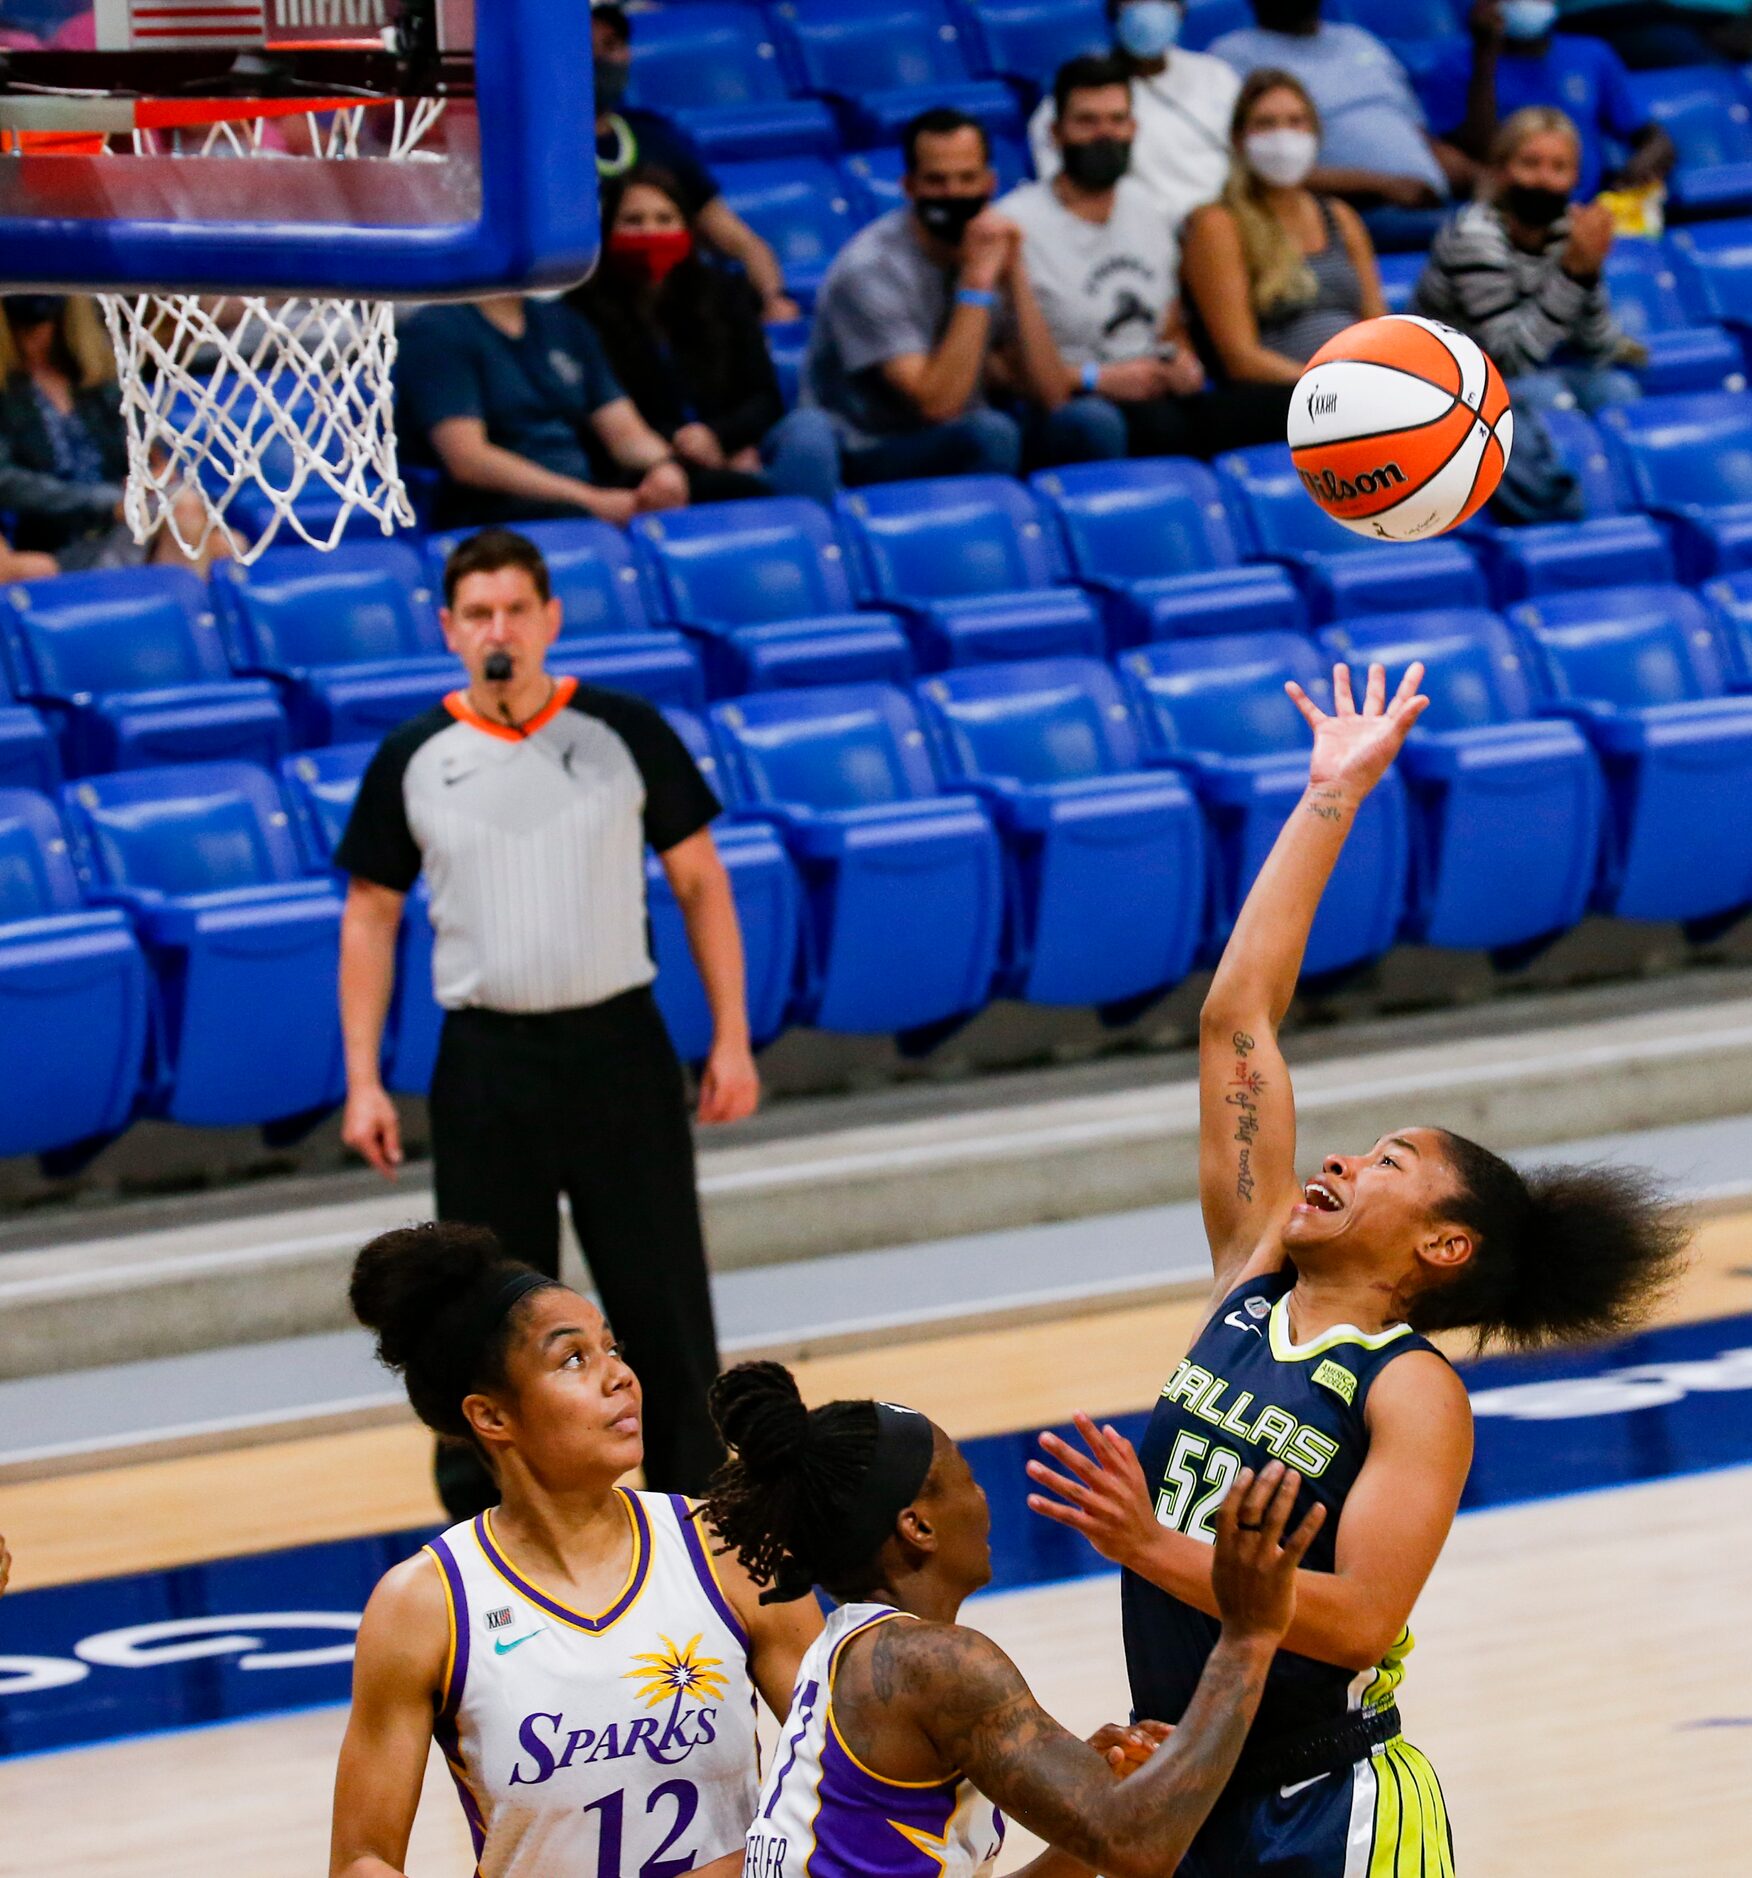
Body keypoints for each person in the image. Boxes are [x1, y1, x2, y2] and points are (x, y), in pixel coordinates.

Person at [1025, 660, 1687, 1875]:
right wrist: (1332, 792)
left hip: (1325, 1808)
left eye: (1390, 1161)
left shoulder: (1408, 1388)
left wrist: (1145, 1545)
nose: (1339, 1158)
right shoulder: (1249, 1283)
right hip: (1185, 1782)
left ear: (1445, 1245)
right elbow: (1240, 1020)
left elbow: (1361, 1620)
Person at [336, 529, 761, 1519]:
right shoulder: (413, 757)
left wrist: (731, 1037)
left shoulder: (624, 731)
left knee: (661, 1298)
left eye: (516, 610)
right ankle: (488, 1511)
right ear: (448, 629)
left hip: (620, 1044)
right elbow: (370, 916)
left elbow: (701, 881)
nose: (498, 630)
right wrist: (363, 1078)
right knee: (481, 1306)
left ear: (550, 619)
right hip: (486, 1060)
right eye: (478, 613)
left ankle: (698, 1506)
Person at [330, 1223, 823, 1878]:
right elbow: (363, 1857)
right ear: (491, 1417)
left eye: (612, 1348)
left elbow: (846, 1773)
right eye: (572, 1359)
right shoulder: (424, 1607)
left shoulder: (726, 1546)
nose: (618, 1376)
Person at [704, 1360, 1326, 1878]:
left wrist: (1073, 1807)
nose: (983, 1500)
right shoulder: (933, 1663)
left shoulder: (842, 1654)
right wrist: (1247, 1637)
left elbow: (1119, 1842)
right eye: (967, 1480)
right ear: (917, 1527)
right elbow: (1143, 1848)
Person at [805, 108, 1127, 483]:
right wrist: (976, 283)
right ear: (909, 187)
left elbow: (1051, 395)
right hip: (876, 448)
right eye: (937, 181)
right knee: (990, 434)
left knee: (1091, 422)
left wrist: (1014, 276)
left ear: (989, 184)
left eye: (967, 179)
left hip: (969, 431)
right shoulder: (869, 270)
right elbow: (937, 406)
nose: (953, 193)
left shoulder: (991, 246)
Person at [1002, 57, 1292, 457]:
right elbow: (994, 367)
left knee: (1289, 409)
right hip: (1075, 405)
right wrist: (1095, 379)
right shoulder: (1014, 224)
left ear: (1133, 128)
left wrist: (1182, 361)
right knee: (1158, 430)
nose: (1105, 134)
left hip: (1158, 392)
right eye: (1087, 121)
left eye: (1117, 120)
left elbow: (1170, 325)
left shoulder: (1148, 209)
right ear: (1055, 134)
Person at [569, 167, 840, 506]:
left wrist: (718, 437)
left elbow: (763, 398)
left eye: (664, 219)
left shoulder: (725, 293)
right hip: (650, 467)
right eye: (633, 221)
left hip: (736, 447)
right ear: (608, 231)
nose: (650, 231)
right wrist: (686, 446)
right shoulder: (580, 313)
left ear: (687, 228)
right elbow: (602, 415)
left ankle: (808, 535)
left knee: (810, 430)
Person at [395, 292, 766, 531]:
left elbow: (626, 434)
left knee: (737, 490)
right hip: (492, 506)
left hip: (582, 491)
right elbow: (469, 460)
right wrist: (590, 500)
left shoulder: (562, 322)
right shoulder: (437, 331)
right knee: (576, 522)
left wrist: (666, 470)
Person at [1414, 106, 1646, 417]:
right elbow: (1508, 360)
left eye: (1558, 167)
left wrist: (1588, 273)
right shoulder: (1473, 236)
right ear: (1501, 169)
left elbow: (1597, 347)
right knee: (1548, 398)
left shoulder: (1571, 232)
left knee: (1618, 389)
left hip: (1541, 367)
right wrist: (1573, 275)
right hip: (1454, 381)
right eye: (1530, 164)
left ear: (1575, 177)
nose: (1543, 180)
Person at [591, 0, 799, 324]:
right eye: (586, 48)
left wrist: (773, 299)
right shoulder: (537, 157)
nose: (600, 59)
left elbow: (740, 241)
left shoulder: (657, 139)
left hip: (671, 310)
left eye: (612, 46)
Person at [1181, 72, 1388, 387]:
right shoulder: (1218, 225)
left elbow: (1379, 326)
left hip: (1358, 384)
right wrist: (1328, 388)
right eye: (1265, 124)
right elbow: (1240, 357)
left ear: (1315, 134)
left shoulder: (1339, 216)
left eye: (1296, 122)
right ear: (1239, 139)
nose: (1283, 137)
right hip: (1279, 395)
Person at [1206, 0, 1477, 221]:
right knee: (1474, 235)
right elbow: (1254, 162)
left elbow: (1418, 137)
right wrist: (1382, 185)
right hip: (1352, 208)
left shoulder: (1358, 40)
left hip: (1425, 198)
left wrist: (1480, 177)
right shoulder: (1232, 56)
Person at [0, 294, 216, 571]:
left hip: (124, 523)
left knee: (218, 538)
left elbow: (151, 454)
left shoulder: (98, 379)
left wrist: (156, 475)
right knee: (184, 511)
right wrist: (108, 502)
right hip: (55, 539)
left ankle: (166, 609)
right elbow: (7, 482)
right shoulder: (8, 390)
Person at [1028, 0, 1243, 235]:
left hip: (1237, 223)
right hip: (1145, 237)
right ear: (1112, 10)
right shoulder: (1076, 101)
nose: (1149, 6)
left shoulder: (1216, 76)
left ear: (1181, 9)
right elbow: (1073, 198)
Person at [1429, 0, 1675, 201]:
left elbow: (1648, 134)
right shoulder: (1455, 67)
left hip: (1584, 208)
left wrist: (1639, 167)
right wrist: (1485, 55)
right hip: (1504, 215)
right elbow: (1477, 154)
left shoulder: (1592, 54)